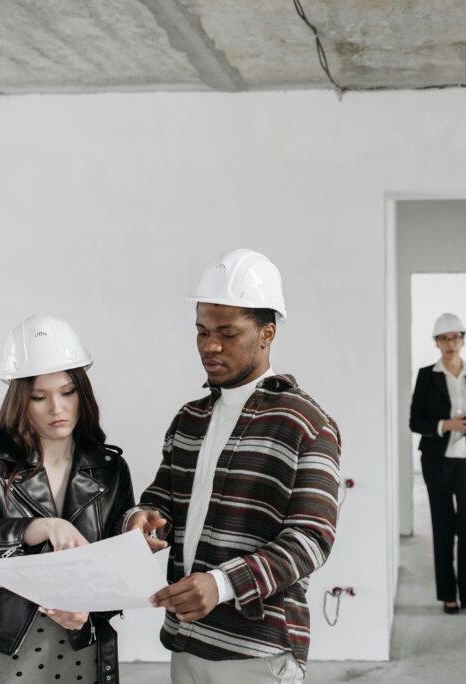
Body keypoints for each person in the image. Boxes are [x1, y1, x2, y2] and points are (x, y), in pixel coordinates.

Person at [123, 248, 341, 684]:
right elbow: (160, 498)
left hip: (258, 650)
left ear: (267, 334)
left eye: (227, 332)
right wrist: (141, 520)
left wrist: (221, 585)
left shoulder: (305, 423)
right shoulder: (190, 418)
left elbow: (311, 539)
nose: (210, 345)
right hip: (186, 638)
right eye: (201, 331)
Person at [0, 315, 135, 684]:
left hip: (78, 647)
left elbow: (120, 569)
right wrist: (40, 527)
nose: (57, 409)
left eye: (67, 392)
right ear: (20, 399)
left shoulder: (110, 468)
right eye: (39, 397)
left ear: (83, 392)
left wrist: (90, 612)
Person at [409, 312, 466, 616]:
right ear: (437, 343)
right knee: (442, 525)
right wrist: (447, 424)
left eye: (456, 337)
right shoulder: (427, 375)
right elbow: (416, 421)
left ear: (463, 339)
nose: (451, 343)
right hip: (436, 460)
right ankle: (448, 595)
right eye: (444, 338)